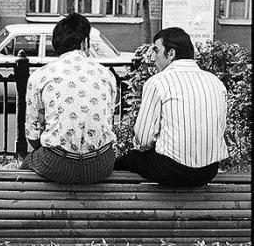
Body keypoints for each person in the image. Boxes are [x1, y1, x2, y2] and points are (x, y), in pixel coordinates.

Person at [114, 27, 228, 187]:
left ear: (171, 53)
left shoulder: (158, 82)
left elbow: (144, 137)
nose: (153, 57)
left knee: (130, 159)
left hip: (172, 170)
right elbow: (220, 128)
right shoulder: (216, 82)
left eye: (156, 51)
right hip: (209, 171)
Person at [21, 12, 117, 184]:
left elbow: (32, 133)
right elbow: (107, 122)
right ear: (85, 42)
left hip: (57, 164)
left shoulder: (40, 75)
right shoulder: (106, 74)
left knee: (27, 164)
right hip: (100, 166)